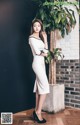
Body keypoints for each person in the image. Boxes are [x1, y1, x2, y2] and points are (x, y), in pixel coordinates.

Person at [28, 19, 50, 124]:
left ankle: (36, 111)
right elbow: (39, 52)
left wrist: (45, 39)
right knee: (45, 87)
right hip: (37, 63)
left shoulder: (40, 39)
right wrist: (44, 52)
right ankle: (38, 112)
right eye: (35, 26)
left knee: (38, 87)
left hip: (42, 64)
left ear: (41, 27)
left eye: (39, 26)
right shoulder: (31, 38)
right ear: (33, 27)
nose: (37, 28)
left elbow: (47, 51)